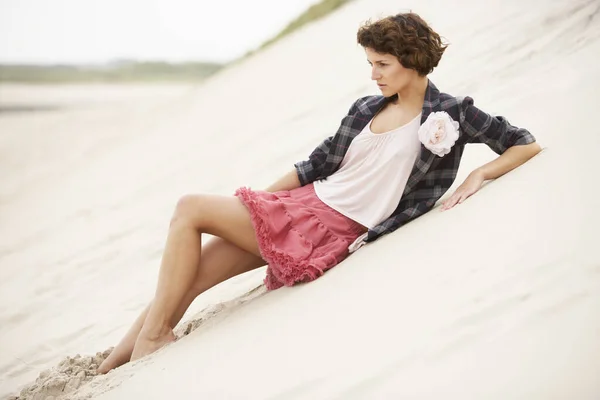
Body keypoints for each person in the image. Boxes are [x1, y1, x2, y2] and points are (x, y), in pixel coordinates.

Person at [98, 12, 541, 373]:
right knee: (186, 280)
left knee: (188, 207)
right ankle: (112, 368)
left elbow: (524, 142)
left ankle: (152, 339)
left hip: (328, 230)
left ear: (412, 60)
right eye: (370, 63)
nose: (373, 74)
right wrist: (257, 204)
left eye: (381, 63)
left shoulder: (452, 113)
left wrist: (478, 175)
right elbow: (316, 164)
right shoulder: (367, 108)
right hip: (299, 208)